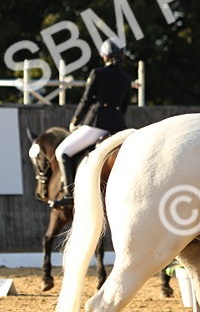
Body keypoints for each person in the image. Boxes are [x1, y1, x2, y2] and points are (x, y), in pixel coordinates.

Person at [50, 39, 136, 207]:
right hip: (118, 126)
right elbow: (124, 106)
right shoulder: (126, 79)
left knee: (62, 152)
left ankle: (69, 194)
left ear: (105, 56)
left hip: (97, 124)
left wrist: (75, 120)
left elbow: (86, 99)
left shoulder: (97, 73)